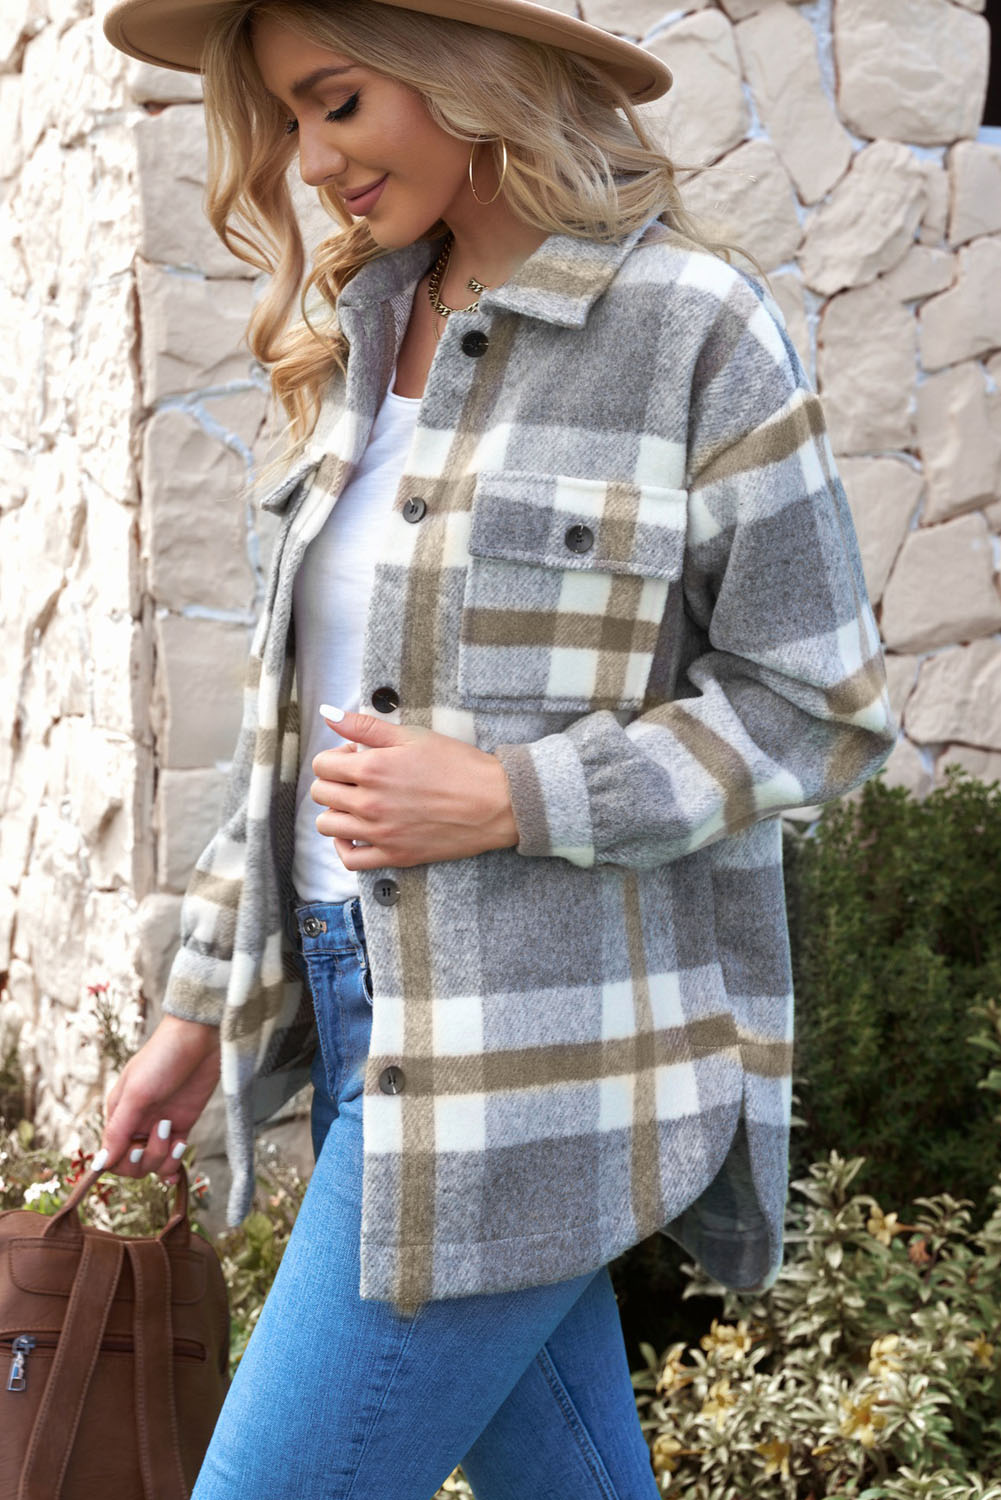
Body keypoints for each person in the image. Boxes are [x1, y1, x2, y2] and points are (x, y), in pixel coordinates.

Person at [97, 0, 897, 1494]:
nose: (311, 160)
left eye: (339, 101)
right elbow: (294, 739)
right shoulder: (359, 326)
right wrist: (197, 1011)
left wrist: (516, 796)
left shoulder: (690, 328)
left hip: (537, 1062)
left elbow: (817, 703)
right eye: (289, 119)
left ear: (460, 76)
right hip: (353, 1005)